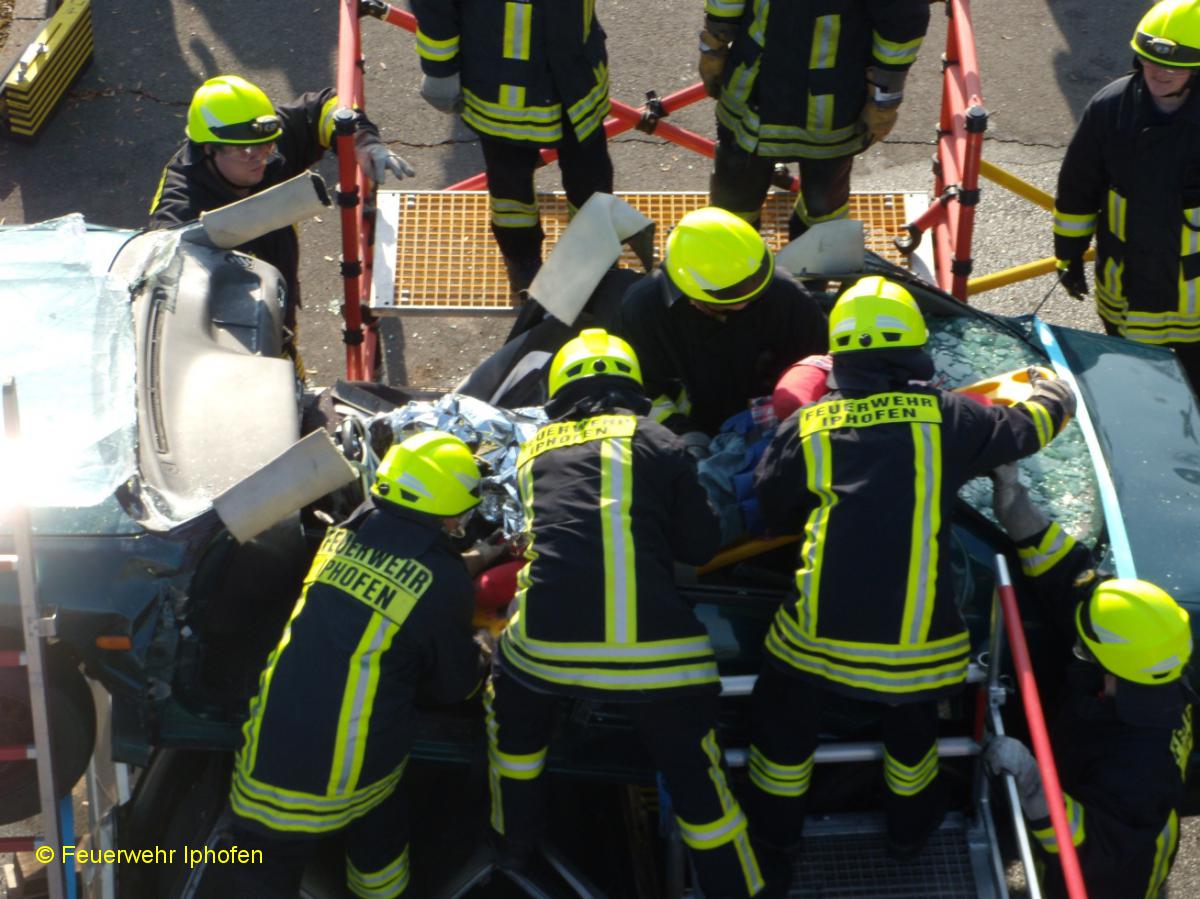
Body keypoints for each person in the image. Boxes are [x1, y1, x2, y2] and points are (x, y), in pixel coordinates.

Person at [746, 276, 1076, 894]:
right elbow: (1029, 428)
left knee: (780, 740)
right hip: (916, 652)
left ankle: (774, 842)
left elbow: (773, 503)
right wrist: (1053, 388)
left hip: (814, 644)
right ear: (914, 350)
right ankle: (908, 837)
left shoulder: (809, 428)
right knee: (913, 747)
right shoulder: (949, 418)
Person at [488, 329, 765, 897]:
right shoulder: (660, 441)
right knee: (700, 788)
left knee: (513, 738)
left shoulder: (534, 450)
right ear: (633, 387)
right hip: (662, 661)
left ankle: (514, 844)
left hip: (546, 653)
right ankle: (738, 887)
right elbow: (700, 546)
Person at [227, 431, 490, 898]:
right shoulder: (443, 580)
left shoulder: (340, 536)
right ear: (449, 513)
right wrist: (487, 647)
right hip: (354, 773)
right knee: (380, 847)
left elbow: (395, 577)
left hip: (264, 760)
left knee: (259, 873)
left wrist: (468, 565)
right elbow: (455, 687)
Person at [983, 463, 1194, 899]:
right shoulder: (1151, 657)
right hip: (1125, 823)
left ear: (1109, 668)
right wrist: (1018, 507)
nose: (1079, 647)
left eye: (1085, 649)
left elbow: (1090, 845)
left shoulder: (1138, 765)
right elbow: (1076, 584)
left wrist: (1032, 784)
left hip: (1113, 873)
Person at [149, 74, 413, 366]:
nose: (260, 158)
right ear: (209, 149)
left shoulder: (257, 144)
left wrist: (362, 142)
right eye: (246, 151)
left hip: (278, 312)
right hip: (237, 348)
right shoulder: (180, 211)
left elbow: (323, 109)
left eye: (267, 146)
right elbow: (171, 286)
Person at [409, 0, 614, 299]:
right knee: (510, 186)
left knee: (590, 176)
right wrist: (439, 69)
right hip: (503, 88)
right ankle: (522, 260)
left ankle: (594, 256)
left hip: (575, 71)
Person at [1052, 0, 1200, 392]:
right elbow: (1078, 190)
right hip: (1126, 290)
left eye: (1174, 66)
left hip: (1195, 305)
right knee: (1136, 393)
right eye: (1151, 61)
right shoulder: (1109, 109)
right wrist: (1068, 252)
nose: (1160, 73)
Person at [700, 0, 930, 239]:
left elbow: (903, 18)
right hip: (769, 97)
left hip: (826, 108)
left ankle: (815, 252)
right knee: (734, 204)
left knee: (823, 207)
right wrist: (714, 42)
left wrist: (884, 96)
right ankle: (730, 250)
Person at [617, 206, 828, 446]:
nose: (745, 303)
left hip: (773, 428)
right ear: (690, 292)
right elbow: (640, 389)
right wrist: (683, 436)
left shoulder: (784, 294)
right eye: (731, 299)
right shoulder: (644, 310)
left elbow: (818, 364)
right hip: (687, 435)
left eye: (754, 290)